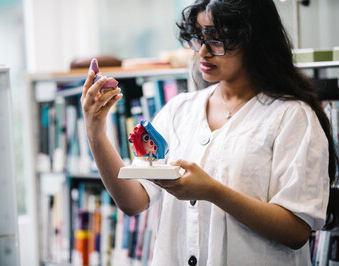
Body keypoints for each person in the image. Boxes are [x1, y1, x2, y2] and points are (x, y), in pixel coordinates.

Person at [81, 0, 339, 265]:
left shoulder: (292, 116)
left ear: (254, 40)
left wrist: (212, 191)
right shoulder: (180, 110)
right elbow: (133, 201)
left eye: (217, 39)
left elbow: (296, 231)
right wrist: (95, 130)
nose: (203, 52)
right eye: (198, 37)